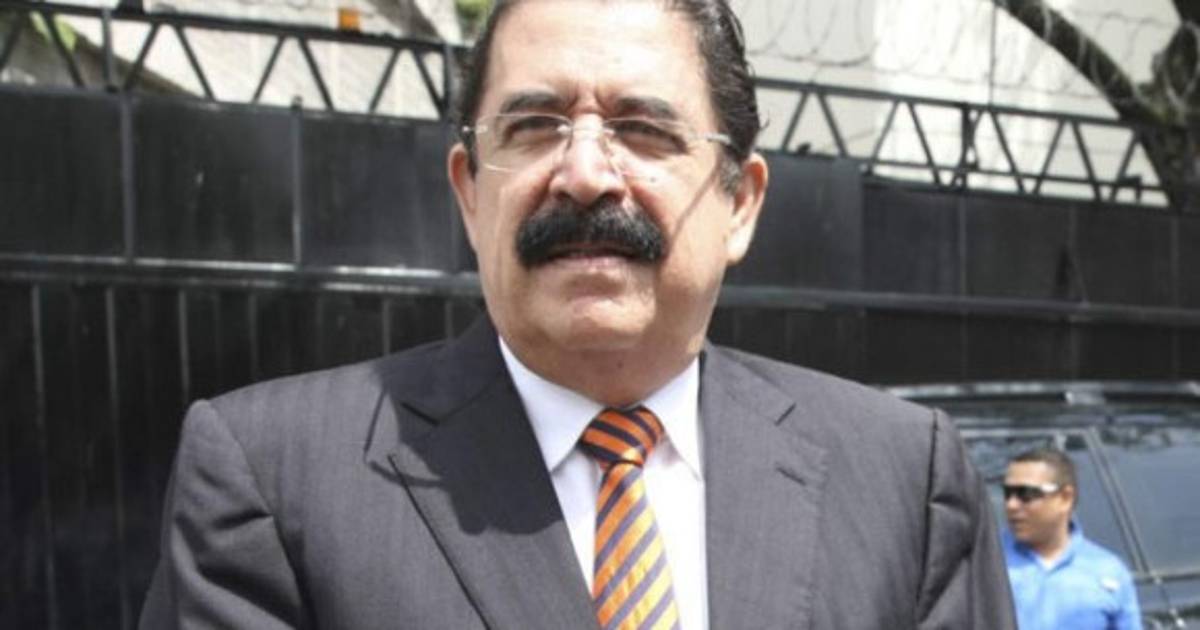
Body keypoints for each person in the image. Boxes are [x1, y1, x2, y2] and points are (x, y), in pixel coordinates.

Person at [139, 0, 1016, 628]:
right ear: (470, 193)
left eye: (643, 129)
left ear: (741, 204)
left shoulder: (901, 480)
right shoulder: (274, 479)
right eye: (534, 126)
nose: (587, 174)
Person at [1003, 448, 1142, 629]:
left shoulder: (1108, 572)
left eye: (1026, 494)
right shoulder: (985, 562)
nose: (1011, 505)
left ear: (1065, 498)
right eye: (1007, 493)